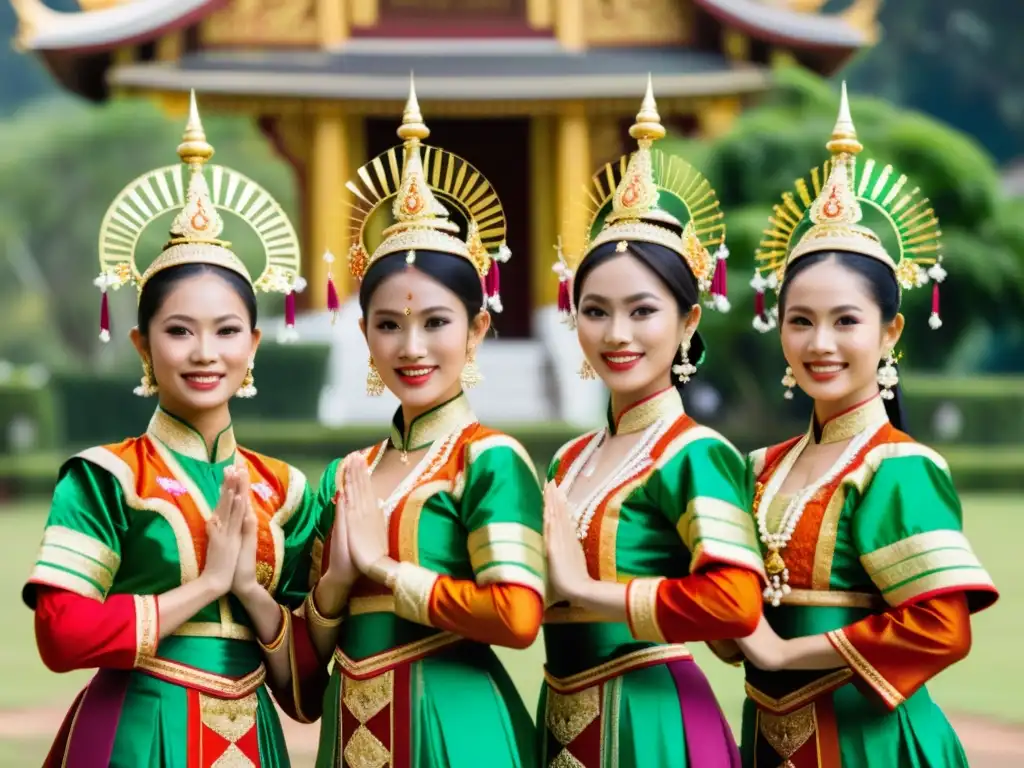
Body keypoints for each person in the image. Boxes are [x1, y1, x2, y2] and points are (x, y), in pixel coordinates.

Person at [23, 93, 322, 767]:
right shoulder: (106, 477)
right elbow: (61, 635)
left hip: (253, 738)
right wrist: (207, 588)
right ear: (142, 345)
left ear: (254, 345)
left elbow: (306, 694)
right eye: (179, 331)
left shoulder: (291, 494)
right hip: (134, 732)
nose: (203, 353)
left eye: (225, 332)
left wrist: (248, 589)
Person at [735, 84, 999, 767]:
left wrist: (785, 650)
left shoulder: (897, 467)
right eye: (801, 321)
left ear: (891, 332)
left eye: (846, 321)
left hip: (871, 744)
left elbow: (942, 626)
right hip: (769, 737)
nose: (820, 343)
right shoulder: (761, 467)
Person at [300, 79, 544, 768]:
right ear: (366, 334)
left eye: (436, 323)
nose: (411, 348)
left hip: (458, 726)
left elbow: (516, 616)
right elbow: (299, 682)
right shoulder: (346, 477)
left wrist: (381, 567)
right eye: (389, 325)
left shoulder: (490, 461)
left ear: (477, 331)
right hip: (348, 729)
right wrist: (336, 586)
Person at [539, 78, 766, 768]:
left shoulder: (695, 454)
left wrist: (586, 593)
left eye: (643, 311)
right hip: (562, 711)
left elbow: (733, 603)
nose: (617, 333)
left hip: (655, 720)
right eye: (596, 310)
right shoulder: (568, 459)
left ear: (688, 320)